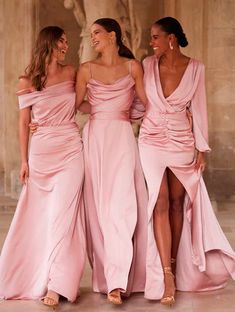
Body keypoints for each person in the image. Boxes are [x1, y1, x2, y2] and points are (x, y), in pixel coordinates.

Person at [138, 16, 235, 306]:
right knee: (160, 201)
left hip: (182, 141)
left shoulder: (196, 68)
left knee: (179, 204)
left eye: (155, 37)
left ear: (171, 38)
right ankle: (166, 275)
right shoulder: (146, 65)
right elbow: (138, 100)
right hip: (151, 139)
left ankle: (173, 262)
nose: (150, 42)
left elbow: (200, 108)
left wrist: (201, 149)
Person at [0, 26, 86, 308]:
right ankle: (26, 274)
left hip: (71, 150)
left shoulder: (73, 72)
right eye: (61, 40)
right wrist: (24, 160)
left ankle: (56, 285)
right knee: (37, 218)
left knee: (63, 217)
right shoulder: (27, 81)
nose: (65, 45)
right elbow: (23, 124)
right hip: (41, 154)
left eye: (66, 41)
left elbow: (86, 102)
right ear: (49, 42)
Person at [75, 18, 148, 305]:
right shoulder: (85, 69)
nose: (92, 38)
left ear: (112, 35)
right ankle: (108, 279)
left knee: (122, 206)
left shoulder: (133, 67)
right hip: (95, 138)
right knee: (98, 210)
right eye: (91, 33)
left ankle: (118, 281)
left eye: (96, 33)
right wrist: (102, 109)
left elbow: (146, 102)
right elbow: (75, 104)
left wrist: (124, 112)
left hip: (121, 137)